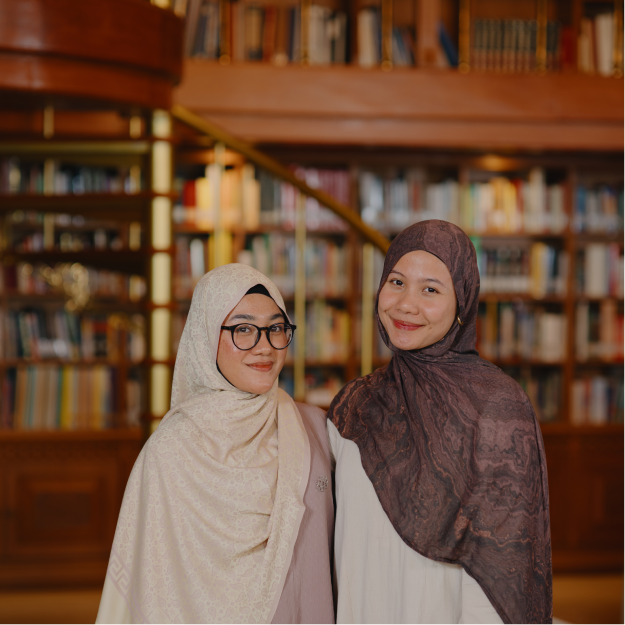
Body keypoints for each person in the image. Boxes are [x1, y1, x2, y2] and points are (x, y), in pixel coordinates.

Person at [327, 220, 552, 625]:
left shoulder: (497, 408)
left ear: (462, 303)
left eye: (430, 289)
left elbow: (503, 568)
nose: (405, 304)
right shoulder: (354, 406)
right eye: (396, 282)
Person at [96, 264, 334, 625]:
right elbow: (149, 581)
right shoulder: (171, 450)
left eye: (275, 328)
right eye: (242, 329)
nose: (264, 347)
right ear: (205, 335)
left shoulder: (313, 428)